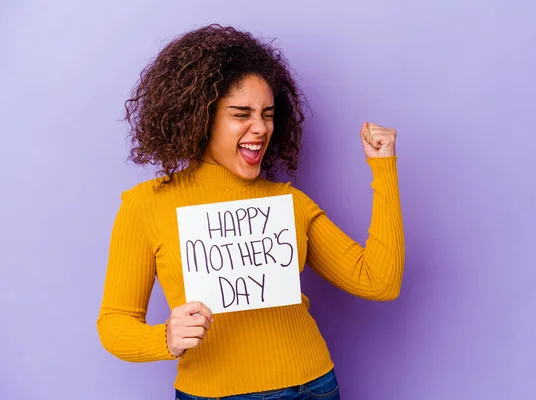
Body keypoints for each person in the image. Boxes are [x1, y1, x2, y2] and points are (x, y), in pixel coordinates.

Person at [97, 24, 405, 400]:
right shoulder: (147, 205)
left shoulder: (287, 202)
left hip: (316, 386)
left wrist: (384, 168)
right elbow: (114, 323)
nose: (260, 128)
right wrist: (164, 338)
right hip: (218, 394)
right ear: (201, 117)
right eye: (241, 114)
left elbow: (379, 281)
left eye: (268, 114)